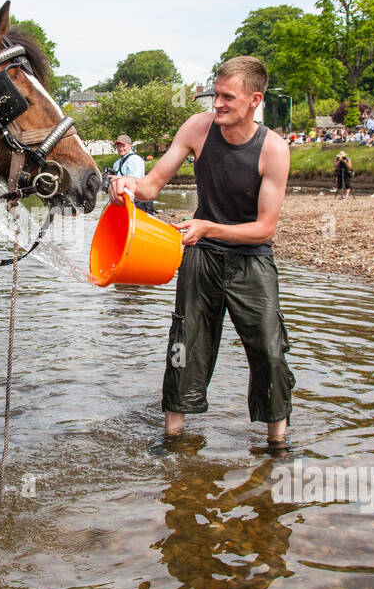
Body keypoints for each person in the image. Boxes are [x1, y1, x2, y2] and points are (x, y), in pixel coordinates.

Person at [108, 55, 294, 452]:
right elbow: (153, 185)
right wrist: (127, 184)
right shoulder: (197, 128)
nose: (218, 104)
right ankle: (173, 434)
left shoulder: (273, 149)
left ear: (254, 99)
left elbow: (265, 228)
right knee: (185, 341)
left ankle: (277, 441)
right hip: (201, 254)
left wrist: (208, 227)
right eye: (215, 95)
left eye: (228, 97)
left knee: (268, 347)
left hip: (251, 258)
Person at [111, 135, 155, 214]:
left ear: (130, 146)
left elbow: (135, 180)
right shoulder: (116, 163)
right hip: (123, 200)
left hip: (136, 200)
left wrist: (116, 178)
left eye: (123, 146)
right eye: (118, 146)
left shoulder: (135, 159)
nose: (120, 148)